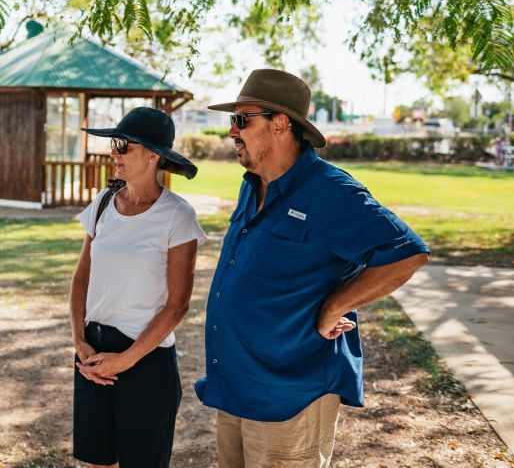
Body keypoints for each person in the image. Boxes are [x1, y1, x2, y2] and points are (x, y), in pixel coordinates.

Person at [196, 69, 429, 467]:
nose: (232, 132)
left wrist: (334, 307)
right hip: (236, 385)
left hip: (290, 395)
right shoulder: (252, 183)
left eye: (241, 120)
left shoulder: (331, 192)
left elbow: (407, 253)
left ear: (281, 124)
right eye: (231, 121)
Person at [69, 107, 206, 468]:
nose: (113, 152)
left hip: (145, 361)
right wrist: (79, 341)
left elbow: (177, 306)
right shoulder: (102, 204)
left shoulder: (178, 216)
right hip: (92, 352)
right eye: (113, 144)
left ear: (152, 154)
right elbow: (81, 277)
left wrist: (125, 361)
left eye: (123, 145)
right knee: (99, 462)